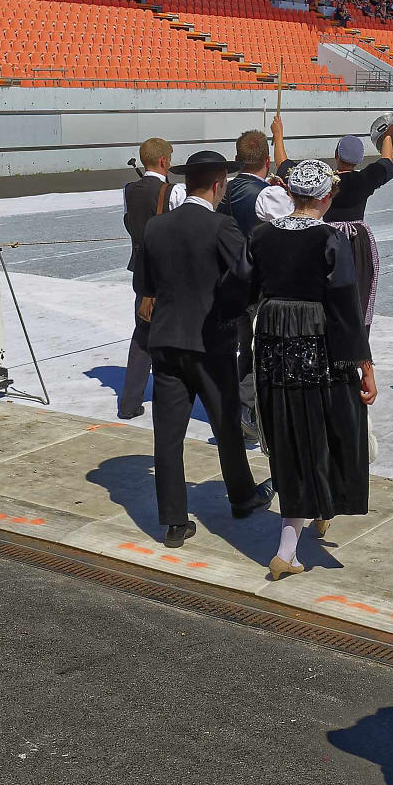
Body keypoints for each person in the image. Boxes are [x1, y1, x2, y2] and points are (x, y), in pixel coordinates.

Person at [136, 148, 275, 548]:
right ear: (218, 185)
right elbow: (248, 276)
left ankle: (174, 522)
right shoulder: (222, 226)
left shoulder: (157, 228)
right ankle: (243, 497)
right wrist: (232, 310)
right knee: (226, 425)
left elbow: (142, 286)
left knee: (168, 434)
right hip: (210, 341)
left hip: (166, 340)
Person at [248, 160, 376, 580]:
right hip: (316, 349)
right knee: (326, 432)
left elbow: (242, 289)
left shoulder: (262, 235)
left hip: (271, 348)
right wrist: (365, 365)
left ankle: (310, 521)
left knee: (290, 437)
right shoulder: (329, 238)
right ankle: (289, 547)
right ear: (325, 197)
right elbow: (345, 306)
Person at [272, 114, 393, 335]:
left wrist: (278, 135)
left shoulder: (325, 181)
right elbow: (387, 162)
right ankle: (357, 342)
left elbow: (284, 166)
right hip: (359, 241)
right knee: (359, 293)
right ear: (358, 159)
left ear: (336, 155)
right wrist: (388, 136)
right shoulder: (364, 179)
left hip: (328, 238)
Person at [217, 129, 273, 442]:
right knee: (257, 349)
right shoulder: (265, 195)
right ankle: (247, 410)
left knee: (244, 346)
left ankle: (242, 407)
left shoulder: (224, 189)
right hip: (257, 282)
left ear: (238, 160)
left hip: (230, 278)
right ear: (266, 160)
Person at [118, 138, 174, 420]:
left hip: (140, 269)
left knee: (143, 334)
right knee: (171, 336)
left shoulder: (129, 190)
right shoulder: (171, 191)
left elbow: (129, 223)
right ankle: (171, 397)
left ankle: (129, 402)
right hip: (166, 274)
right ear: (164, 161)